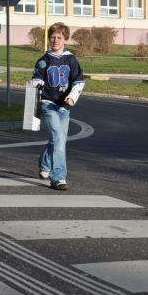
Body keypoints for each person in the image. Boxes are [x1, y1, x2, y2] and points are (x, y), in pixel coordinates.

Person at [32, 22, 84, 191]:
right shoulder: (43, 60)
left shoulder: (71, 59)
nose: (55, 40)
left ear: (65, 40)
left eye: (59, 37)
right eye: (52, 37)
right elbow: (36, 78)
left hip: (64, 106)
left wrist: (72, 97)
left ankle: (45, 164)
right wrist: (38, 84)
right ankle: (59, 177)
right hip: (48, 104)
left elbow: (78, 81)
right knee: (59, 139)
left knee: (58, 140)